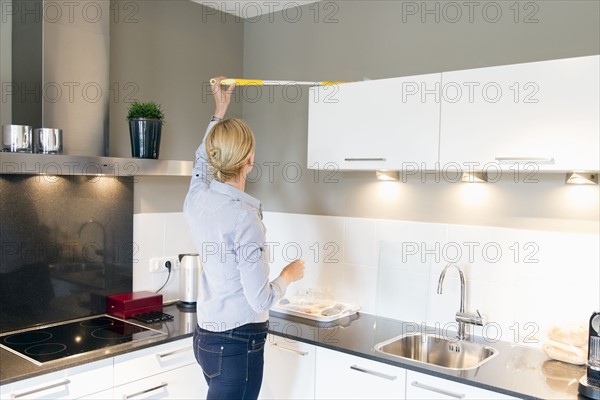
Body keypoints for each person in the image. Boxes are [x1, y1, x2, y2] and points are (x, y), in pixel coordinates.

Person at [183, 76, 305, 400]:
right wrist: (288, 276)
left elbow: (200, 160)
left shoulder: (197, 198)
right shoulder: (244, 219)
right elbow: (260, 300)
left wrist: (217, 113)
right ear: (249, 162)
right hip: (238, 345)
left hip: (206, 340)